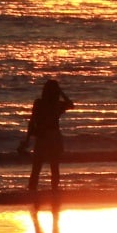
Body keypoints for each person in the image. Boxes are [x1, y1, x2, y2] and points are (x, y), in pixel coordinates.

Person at [16, 78, 73, 206]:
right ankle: (52, 193)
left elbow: (32, 122)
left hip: (46, 136)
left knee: (39, 167)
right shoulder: (54, 104)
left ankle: (36, 194)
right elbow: (70, 104)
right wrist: (61, 91)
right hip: (51, 136)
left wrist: (27, 139)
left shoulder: (42, 103)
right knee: (50, 166)